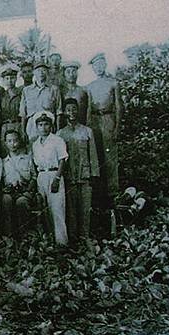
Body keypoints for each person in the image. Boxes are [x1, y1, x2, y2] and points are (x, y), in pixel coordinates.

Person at [57, 98, 99, 245]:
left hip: (85, 175)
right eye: (68, 109)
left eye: (74, 109)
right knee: (71, 209)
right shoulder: (60, 134)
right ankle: (74, 238)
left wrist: (94, 174)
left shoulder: (87, 131)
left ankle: (85, 236)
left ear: (78, 110)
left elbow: (93, 154)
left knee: (86, 208)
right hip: (69, 176)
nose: (72, 112)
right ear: (64, 112)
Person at [86, 53, 120, 203]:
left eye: (100, 64)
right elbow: (88, 108)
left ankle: (113, 192)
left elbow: (119, 106)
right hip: (94, 120)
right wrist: (88, 126)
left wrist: (117, 126)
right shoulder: (90, 86)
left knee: (110, 157)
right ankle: (99, 194)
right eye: (95, 65)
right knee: (96, 156)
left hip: (108, 118)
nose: (98, 68)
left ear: (105, 64)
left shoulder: (113, 83)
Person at [32, 111, 68, 246]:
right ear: (37, 127)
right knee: (44, 209)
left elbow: (62, 160)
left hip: (54, 175)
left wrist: (57, 178)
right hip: (41, 176)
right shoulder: (35, 144)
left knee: (57, 209)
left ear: (51, 126)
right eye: (40, 125)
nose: (43, 127)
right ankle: (48, 243)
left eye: (46, 124)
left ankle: (62, 243)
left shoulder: (57, 140)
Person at [1, 129, 36, 238]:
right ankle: (8, 236)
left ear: (20, 141)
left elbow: (34, 177)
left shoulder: (27, 159)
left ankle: (24, 236)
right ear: (5, 143)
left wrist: (28, 190)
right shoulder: (3, 162)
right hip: (9, 191)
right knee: (6, 201)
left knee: (21, 203)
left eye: (15, 140)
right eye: (10, 141)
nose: (13, 144)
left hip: (25, 191)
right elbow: (0, 181)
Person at [20, 62, 62, 141]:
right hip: (32, 125)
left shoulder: (54, 89)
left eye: (44, 70)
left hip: (48, 124)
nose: (41, 73)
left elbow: (58, 111)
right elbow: (23, 113)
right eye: (38, 70)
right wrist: (23, 131)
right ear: (34, 72)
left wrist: (58, 129)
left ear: (47, 72)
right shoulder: (27, 90)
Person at [0, 66, 23, 155]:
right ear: (4, 80)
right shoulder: (1, 95)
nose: (10, 81)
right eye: (7, 78)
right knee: (5, 150)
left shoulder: (21, 93)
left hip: (18, 124)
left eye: (12, 78)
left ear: (16, 78)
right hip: (5, 125)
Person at [60, 61, 90, 125]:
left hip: (81, 124)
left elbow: (88, 109)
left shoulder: (83, 91)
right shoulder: (60, 91)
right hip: (64, 126)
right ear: (64, 74)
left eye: (74, 71)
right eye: (68, 72)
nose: (71, 74)